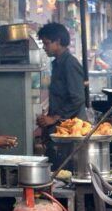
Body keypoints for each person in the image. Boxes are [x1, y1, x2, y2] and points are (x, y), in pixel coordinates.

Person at [36, 22, 86, 168]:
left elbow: (77, 98)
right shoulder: (57, 63)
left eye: (46, 43)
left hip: (71, 130)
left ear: (57, 42)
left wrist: (54, 118)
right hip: (61, 129)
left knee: (67, 170)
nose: (44, 48)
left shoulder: (69, 63)